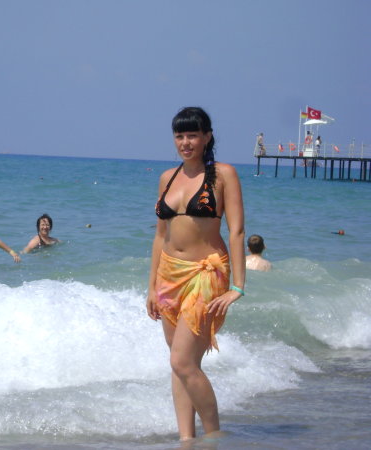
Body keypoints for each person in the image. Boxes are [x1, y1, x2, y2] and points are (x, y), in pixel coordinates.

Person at [146, 107, 245, 440]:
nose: (185, 142)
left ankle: (214, 438)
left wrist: (238, 286)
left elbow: (237, 232)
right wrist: (151, 287)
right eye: (180, 136)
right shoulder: (167, 178)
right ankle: (187, 440)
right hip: (168, 275)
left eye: (192, 135)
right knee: (179, 364)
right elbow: (160, 236)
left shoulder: (223, 175)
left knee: (183, 361)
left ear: (207, 137)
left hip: (206, 273)